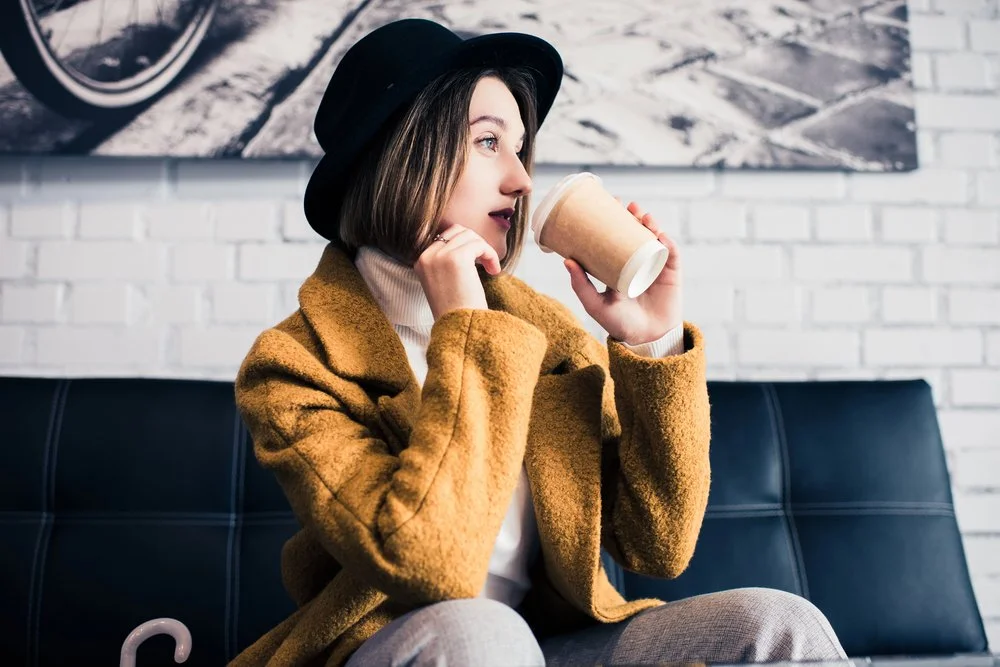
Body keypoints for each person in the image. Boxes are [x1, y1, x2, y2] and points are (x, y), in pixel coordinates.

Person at [231, 18, 848, 667]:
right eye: (488, 142)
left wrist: (648, 343)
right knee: (481, 635)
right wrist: (466, 333)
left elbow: (658, 545)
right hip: (401, 644)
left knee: (780, 623)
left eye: (519, 149)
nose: (522, 181)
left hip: (550, 644)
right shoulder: (294, 365)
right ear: (401, 152)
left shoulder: (545, 332)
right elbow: (427, 563)